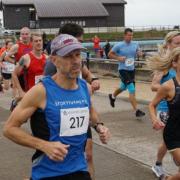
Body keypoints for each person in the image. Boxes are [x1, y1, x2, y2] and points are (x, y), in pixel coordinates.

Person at [3, 34, 110, 180]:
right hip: (48, 172)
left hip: (79, 168)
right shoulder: (41, 91)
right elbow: (9, 129)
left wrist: (99, 126)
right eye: (68, 56)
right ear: (54, 60)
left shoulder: (85, 87)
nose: (76, 61)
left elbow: (90, 112)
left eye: (77, 55)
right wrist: (44, 145)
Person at [44, 23, 100, 180]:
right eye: (78, 41)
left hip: (80, 112)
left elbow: (85, 72)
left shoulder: (77, 60)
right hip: (60, 116)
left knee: (88, 155)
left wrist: (93, 79)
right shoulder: (52, 65)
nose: (79, 46)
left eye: (80, 46)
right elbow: (47, 91)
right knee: (61, 158)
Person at [150, 31, 180, 178]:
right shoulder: (165, 67)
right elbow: (153, 85)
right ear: (168, 44)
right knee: (167, 141)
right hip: (165, 108)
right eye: (177, 43)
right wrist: (169, 90)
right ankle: (158, 164)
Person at [108, 28, 145, 118]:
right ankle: (136, 111)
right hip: (123, 70)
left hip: (131, 70)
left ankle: (112, 96)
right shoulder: (119, 45)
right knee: (132, 89)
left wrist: (140, 54)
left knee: (123, 87)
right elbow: (109, 54)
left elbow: (138, 52)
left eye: (132, 35)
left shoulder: (135, 44)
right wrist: (118, 58)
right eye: (129, 35)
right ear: (124, 35)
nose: (130, 37)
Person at [12, 33, 47, 98]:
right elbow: (14, 74)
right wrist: (20, 91)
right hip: (31, 95)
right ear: (32, 43)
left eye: (40, 40)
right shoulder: (25, 58)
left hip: (44, 94)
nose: (38, 43)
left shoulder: (47, 58)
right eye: (36, 41)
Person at [5, 27, 32, 92]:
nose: (24, 36)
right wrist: (16, 63)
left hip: (32, 73)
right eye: (22, 34)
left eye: (26, 34)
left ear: (30, 35)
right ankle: (16, 101)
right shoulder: (17, 46)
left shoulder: (33, 44)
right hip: (22, 74)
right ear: (20, 35)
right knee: (24, 94)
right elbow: (6, 57)